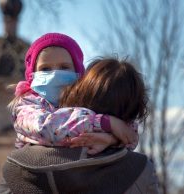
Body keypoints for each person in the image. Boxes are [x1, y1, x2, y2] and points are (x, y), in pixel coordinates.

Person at [0, 58, 159, 194]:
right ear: (133, 111)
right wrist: (113, 137)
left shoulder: (18, 166)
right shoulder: (141, 170)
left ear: (81, 91)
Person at [9, 32, 138, 154]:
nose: (54, 74)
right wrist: (104, 123)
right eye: (45, 68)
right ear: (32, 74)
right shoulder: (26, 105)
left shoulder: (83, 101)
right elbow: (46, 128)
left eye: (64, 67)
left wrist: (110, 139)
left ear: (78, 74)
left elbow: (129, 134)